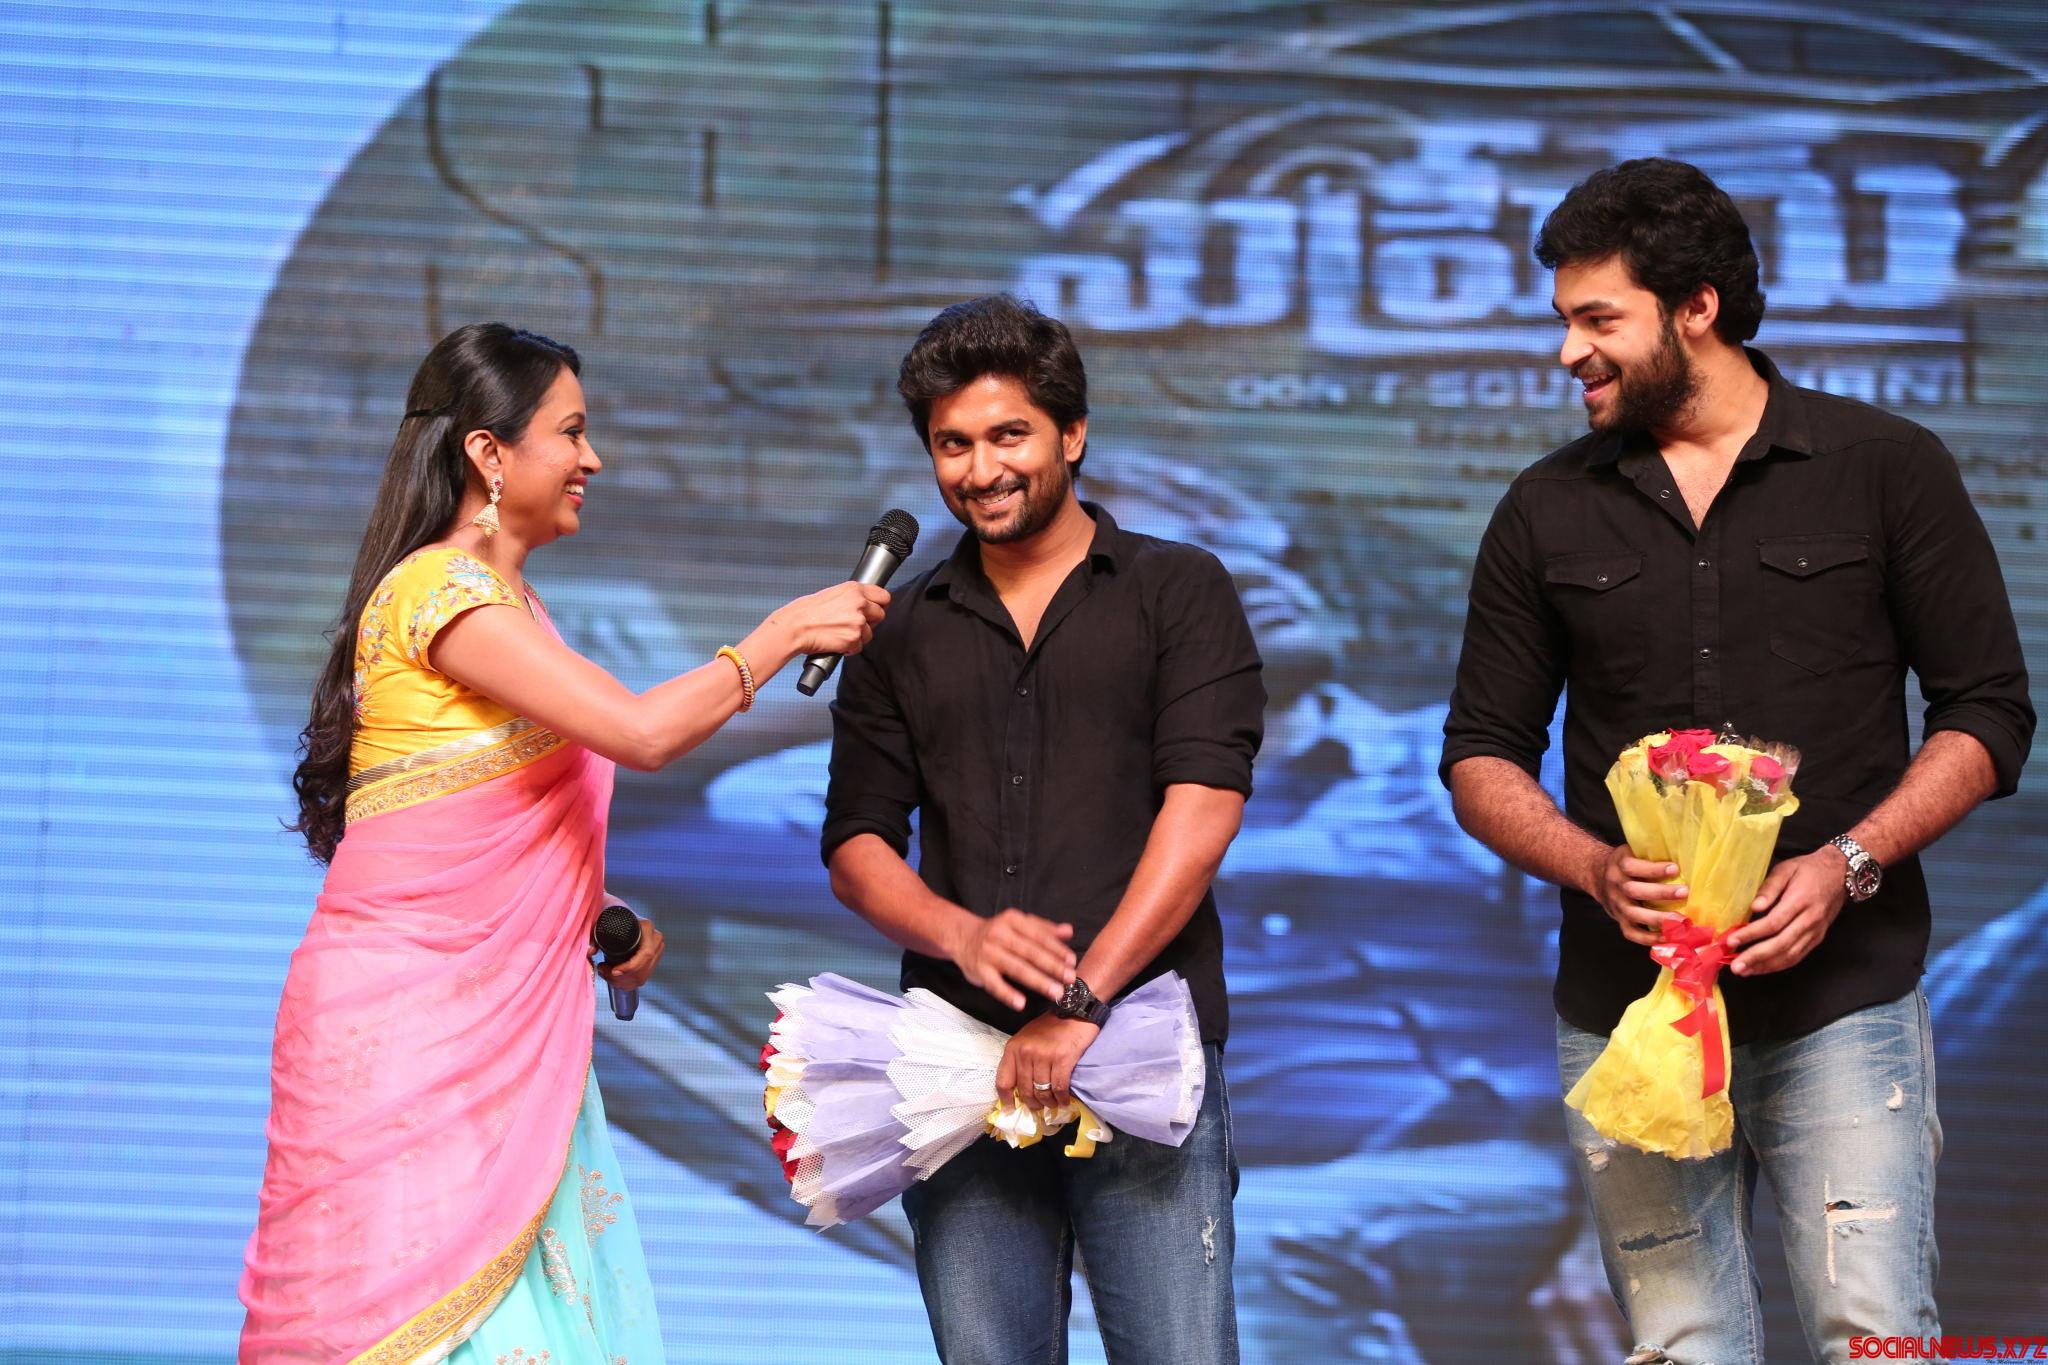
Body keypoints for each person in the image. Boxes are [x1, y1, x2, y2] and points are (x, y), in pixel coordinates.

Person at [1440, 158, 2035, 1363]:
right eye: (1562, 320)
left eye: (1596, 319)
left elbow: (1986, 715)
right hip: (1628, 1011)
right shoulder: (1542, 507)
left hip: (1842, 1000)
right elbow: (1478, 757)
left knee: (1872, 1336)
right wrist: (1590, 867)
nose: (1566, 352)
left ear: (1695, 308)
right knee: (1680, 1345)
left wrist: (1846, 863)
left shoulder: (1884, 466)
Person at [237, 322, 887, 1363]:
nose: (595, 459)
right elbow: (641, 732)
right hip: (411, 1037)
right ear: (488, 454)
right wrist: (780, 635)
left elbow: (465, 817)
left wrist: (595, 913)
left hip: (498, 1039)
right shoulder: (440, 591)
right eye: (572, 432)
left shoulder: (518, 609)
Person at [821, 294, 1264, 1364]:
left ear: (1072, 433)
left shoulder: (1177, 588)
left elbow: (1204, 808)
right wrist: (962, 935)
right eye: (953, 445)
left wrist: (1080, 1003)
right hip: (960, 1071)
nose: (981, 469)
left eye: (1008, 435)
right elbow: (855, 845)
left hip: (1140, 1050)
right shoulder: (897, 628)